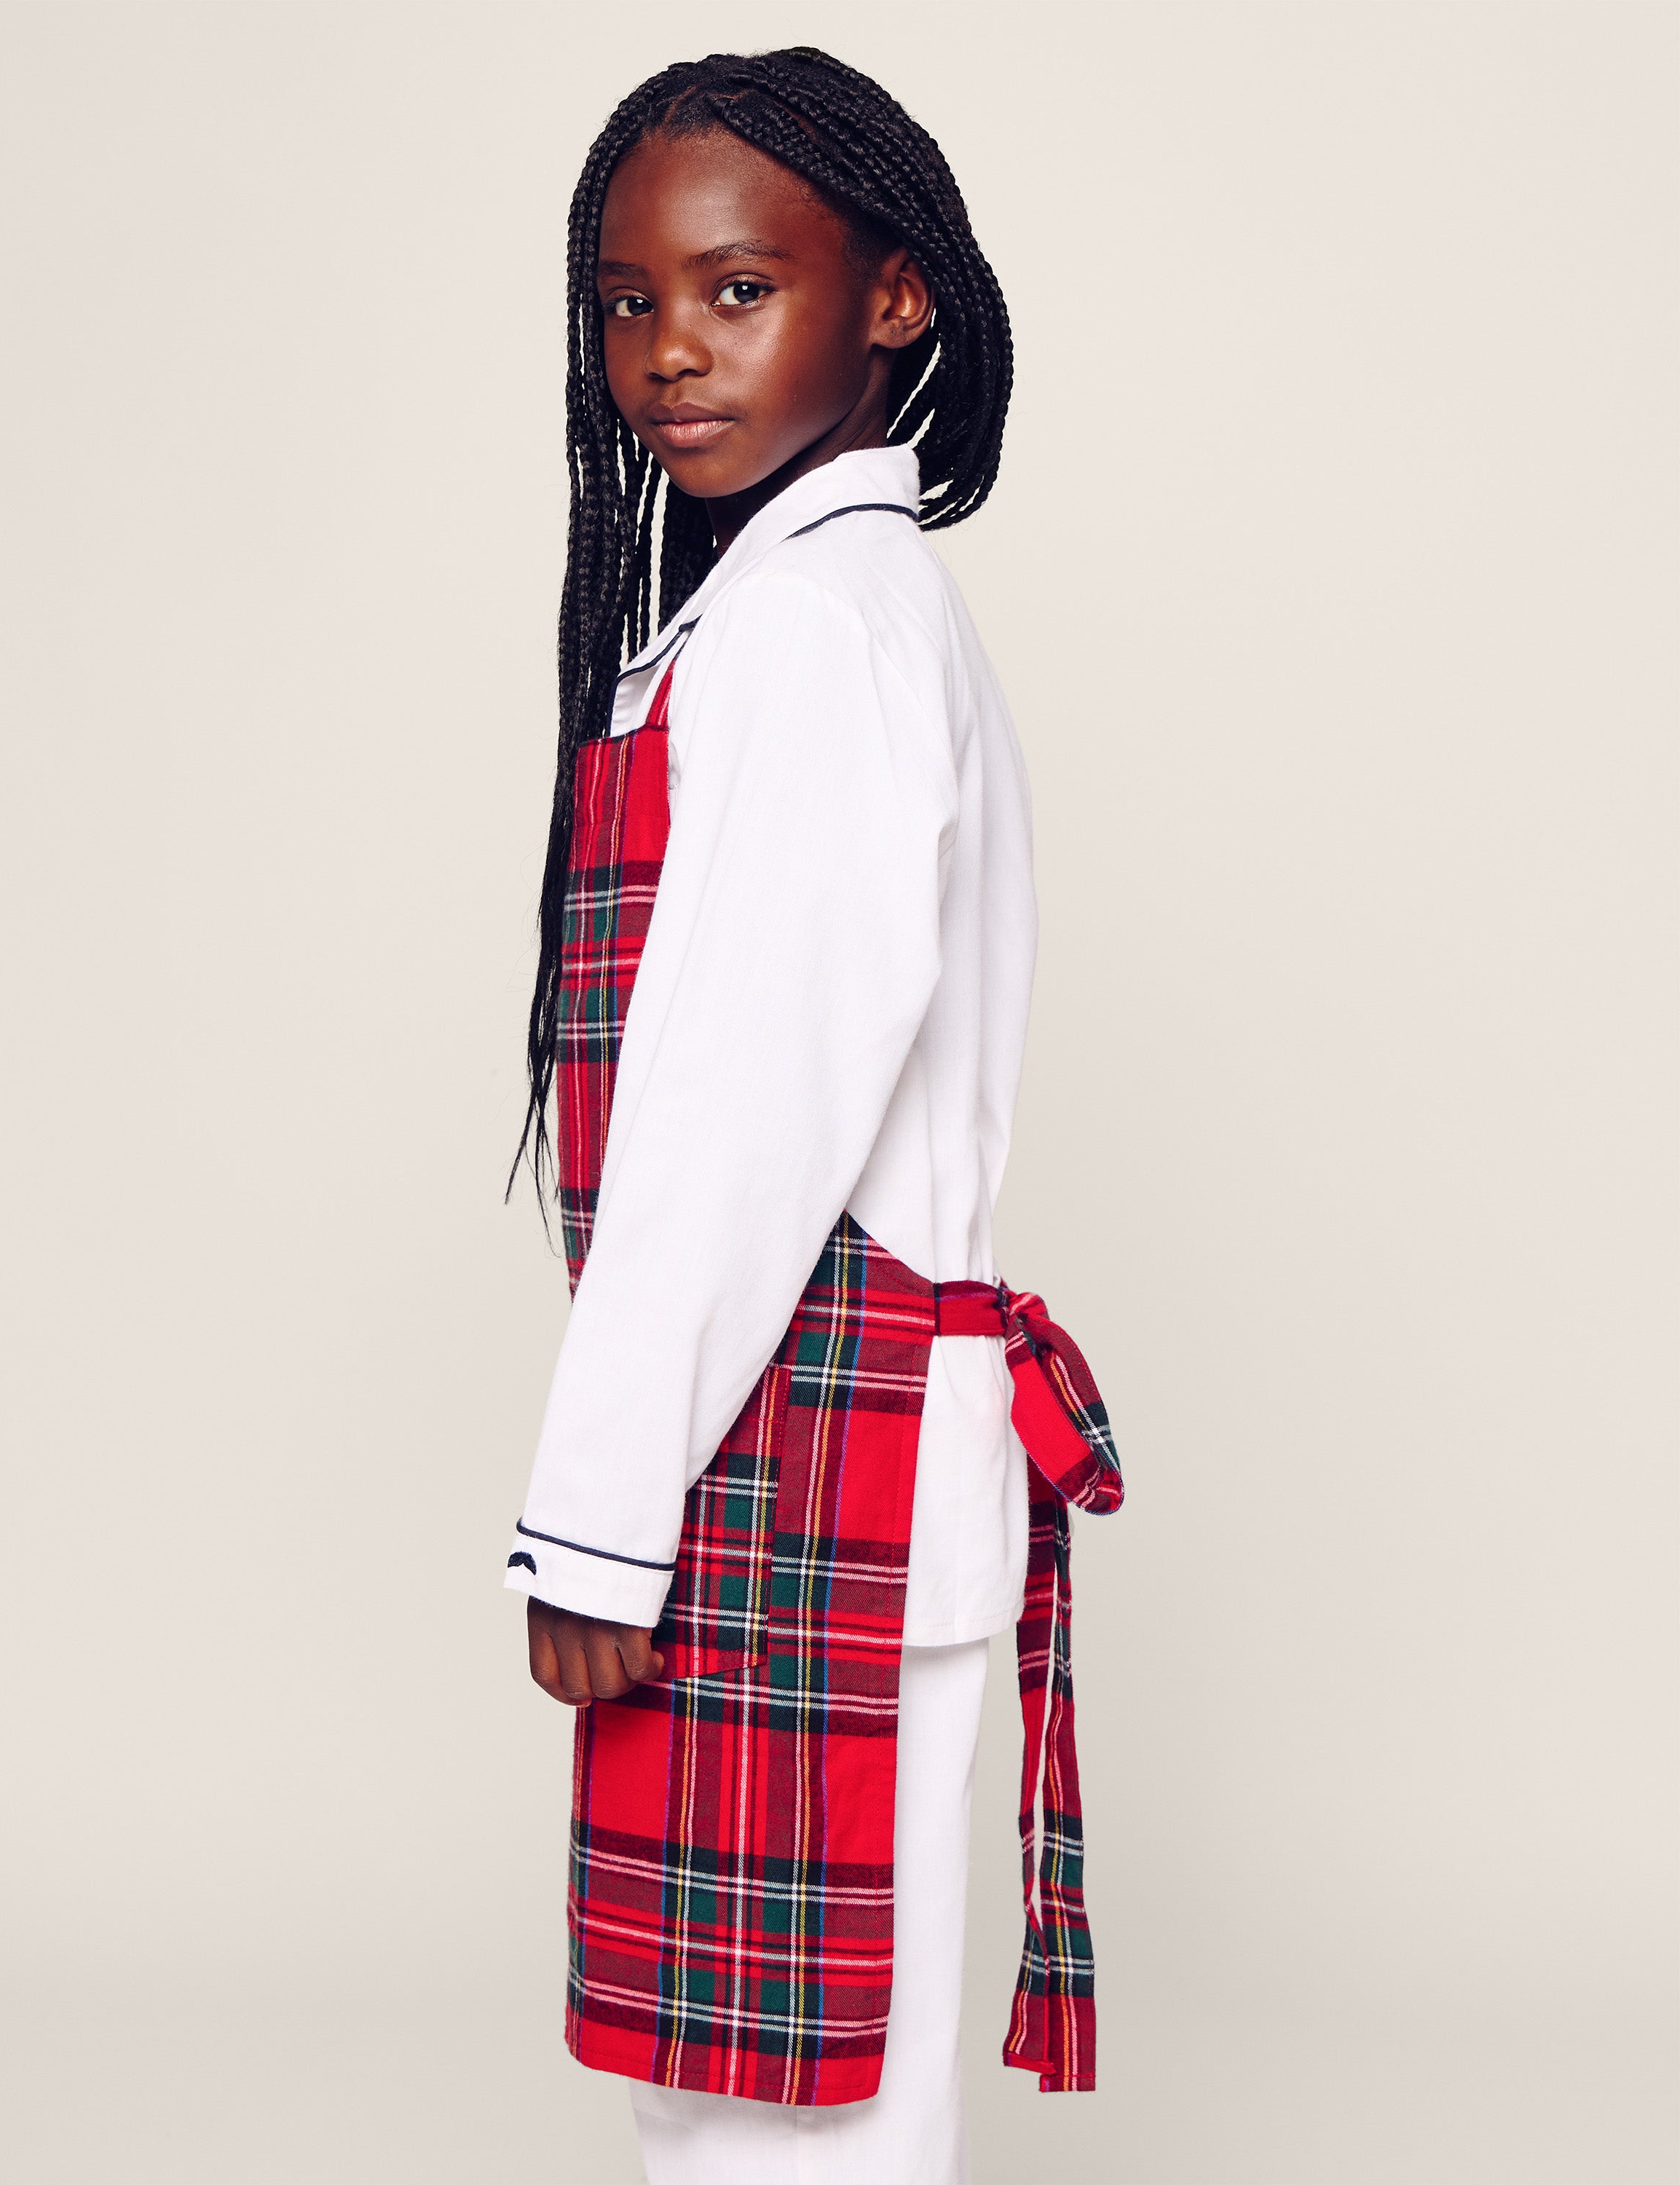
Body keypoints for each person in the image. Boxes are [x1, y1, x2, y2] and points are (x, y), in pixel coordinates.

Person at [502, 48, 1122, 2185]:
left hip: (792, 1475)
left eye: (736, 288)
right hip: (794, 1463)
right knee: (771, 2107)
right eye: (623, 300)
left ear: (895, 302)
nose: (664, 352)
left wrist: (603, 1502)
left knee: (798, 2127)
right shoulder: (775, 618)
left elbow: (740, 1115)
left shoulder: (816, 632)